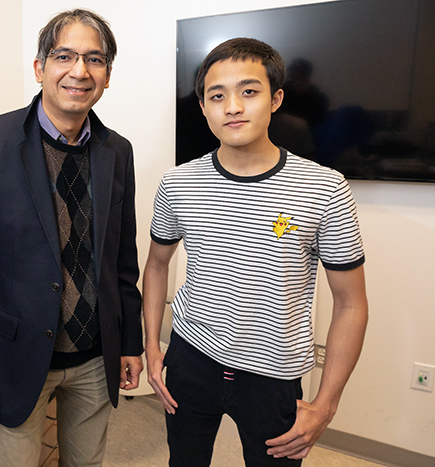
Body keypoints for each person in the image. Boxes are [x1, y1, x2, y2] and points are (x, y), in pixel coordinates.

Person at [143, 38, 368, 466]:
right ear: (204, 106)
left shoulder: (325, 188)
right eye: (217, 95)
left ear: (276, 98)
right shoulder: (179, 184)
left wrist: (325, 405)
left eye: (248, 91)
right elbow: (156, 266)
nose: (232, 107)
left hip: (273, 376)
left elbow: (351, 303)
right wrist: (154, 346)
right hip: (191, 359)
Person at [0, 9, 143, 467]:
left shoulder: (118, 151)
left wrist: (131, 341)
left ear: (107, 75)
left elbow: (122, 262)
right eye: (64, 56)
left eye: (94, 59)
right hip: (16, 354)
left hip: (94, 356)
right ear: (40, 68)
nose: (79, 71)